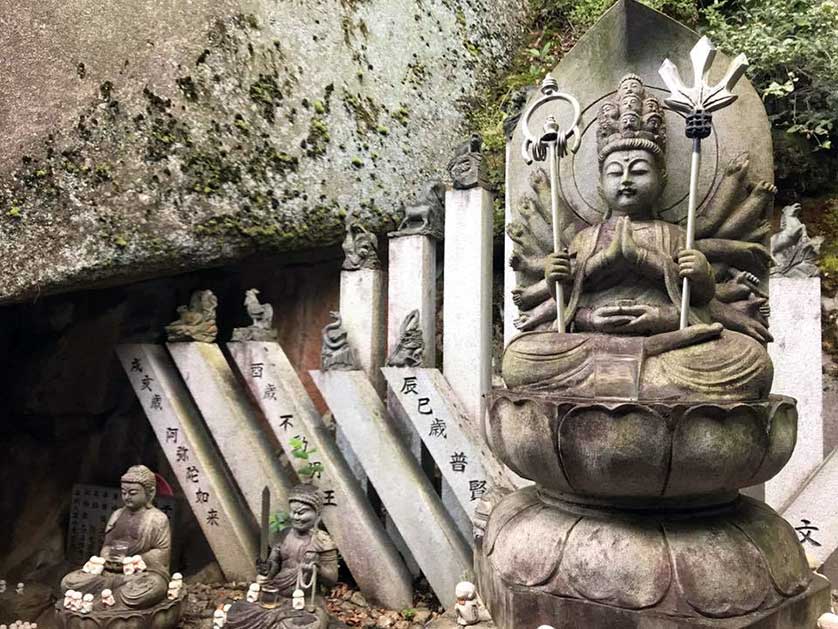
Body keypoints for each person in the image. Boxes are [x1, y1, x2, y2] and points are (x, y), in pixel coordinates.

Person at [503, 75, 772, 401]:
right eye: (615, 172)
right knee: (521, 358)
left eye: (639, 171)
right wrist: (565, 285)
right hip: (592, 345)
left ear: (662, 179)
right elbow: (566, 308)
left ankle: (628, 381)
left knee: (749, 359)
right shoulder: (585, 238)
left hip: (666, 345)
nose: (626, 180)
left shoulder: (675, 236)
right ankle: (649, 386)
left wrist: (694, 281)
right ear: (601, 185)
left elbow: (699, 303)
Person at [225, 485, 338, 629]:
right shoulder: (284, 534)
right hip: (276, 596)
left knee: (305, 625)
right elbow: (274, 563)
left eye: (302, 512)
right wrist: (267, 570)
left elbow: (332, 579)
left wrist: (317, 568)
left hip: (306, 602)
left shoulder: (323, 541)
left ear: (317, 514)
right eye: (293, 512)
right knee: (236, 613)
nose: (296, 517)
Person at [60, 466, 170, 610]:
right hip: (109, 572)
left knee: (152, 587)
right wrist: (108, 556)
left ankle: (101, 603)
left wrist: (135, 560)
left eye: (133, 493)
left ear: (150, 493)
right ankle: (109, 601)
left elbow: (162, 553)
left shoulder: (158, 519)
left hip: (140, 574)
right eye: (123, 492)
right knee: (69, 583)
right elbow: (107, 546)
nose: (127, 497)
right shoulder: (117, 515)